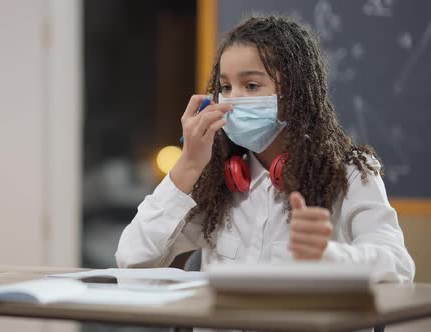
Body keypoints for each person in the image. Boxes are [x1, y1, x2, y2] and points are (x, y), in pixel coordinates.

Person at [115, 15, 415, 282]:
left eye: (252, 86)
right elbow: (132, 262)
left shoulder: (348, 171)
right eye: (226, 87)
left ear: (294, 93)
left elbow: (398, 266)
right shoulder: (217, 181)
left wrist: (330, 257)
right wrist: (188, 165)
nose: (232, 100)